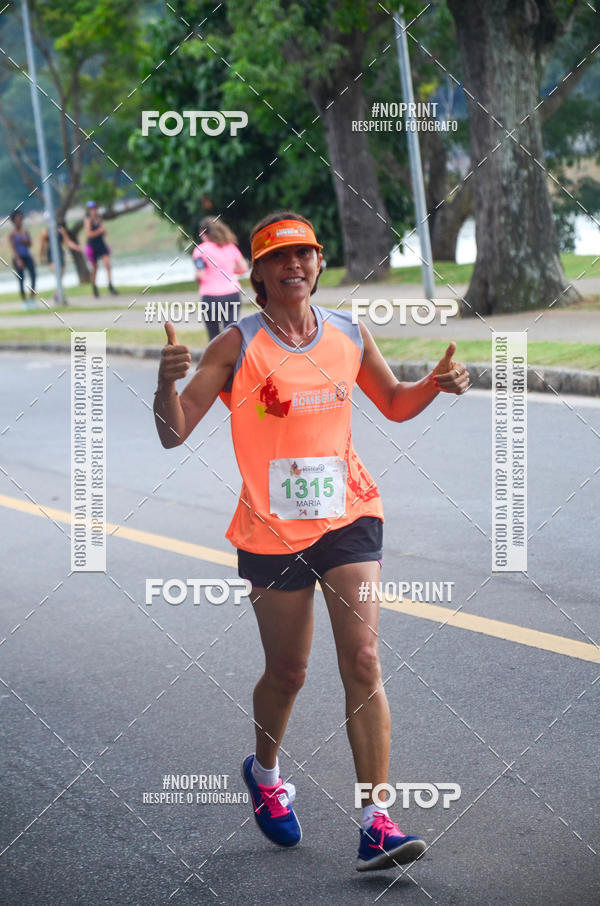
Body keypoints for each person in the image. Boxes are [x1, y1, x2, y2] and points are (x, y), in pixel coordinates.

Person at [153, 211, 469, 872]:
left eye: (304, 254)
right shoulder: (235, 346)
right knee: (288, 672)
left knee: (363, 658)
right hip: (270, 531)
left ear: (319, 264)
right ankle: (266, 774)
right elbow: (173, 432)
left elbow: (395, 403)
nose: (293, 265)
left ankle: (377, 822)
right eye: (278, 257)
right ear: (258, 274)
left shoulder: (349, 333)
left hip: (350, 516)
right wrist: (165, 383)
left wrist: (435, 387)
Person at [192, 217, 248, 341]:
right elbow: (244, 268)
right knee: (230, 334)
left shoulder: (200, 250)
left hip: (211, 296)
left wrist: (199, 278)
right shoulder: (231, 247)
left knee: (214, 337)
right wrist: (228, 271)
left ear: (204, 234)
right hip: (232, 294)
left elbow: (200, 274)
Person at [39, 221, 83, 303]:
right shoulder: (45, 232)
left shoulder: (61, 230)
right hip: (51, 256)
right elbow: (42, 246)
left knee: (60, 277)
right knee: (58, 274)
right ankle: (60, 295)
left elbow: (67, 242)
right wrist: (41, 257)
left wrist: (76, 247)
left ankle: (57, 295)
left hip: (60, 255)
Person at [84, 201, 118, 297]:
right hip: (92, 246)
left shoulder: (99, 219)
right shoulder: (88, 221)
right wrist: (100, 231)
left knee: (107, 264)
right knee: (95, 268)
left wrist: (104, 232)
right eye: (92, 209)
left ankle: (110, 286)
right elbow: (89, 234)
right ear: (89, 211)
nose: (94, 210)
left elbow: (103, 232)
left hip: (101, 244)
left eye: (95, 208)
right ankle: (94, 287)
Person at [9, 210, 36, 306]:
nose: (20, 221)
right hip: (18, 257)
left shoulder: (25, 232)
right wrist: (18, 260)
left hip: (27, 256)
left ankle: (32, 298)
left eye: (21, 218)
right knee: (21, 278)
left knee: (33, 276)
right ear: (13, 221)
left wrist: (25, 241)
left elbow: (30, 244)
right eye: (17, 219)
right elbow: (13, 248)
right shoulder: (12, 234)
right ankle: (24, 301)